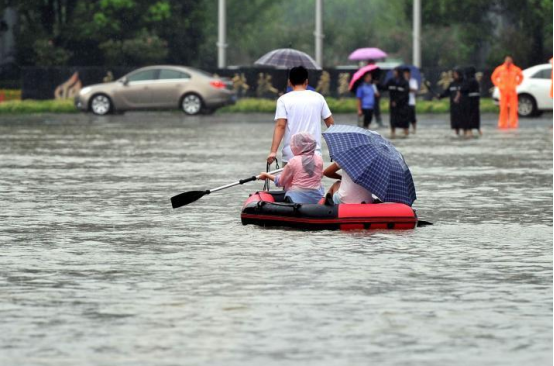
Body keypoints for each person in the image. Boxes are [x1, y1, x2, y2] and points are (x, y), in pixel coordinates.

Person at [268, 66, 335, 165]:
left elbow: (281, 126)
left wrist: (273, 152)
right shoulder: (318, 98)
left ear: (289, 82)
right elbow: (330, 124)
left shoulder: (283, 99)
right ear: (306, 81)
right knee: (313, 181)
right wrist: (336, 147)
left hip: (291, 155)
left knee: (289, 181)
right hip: (314, 154)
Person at [259, 133, 324, 204]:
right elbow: (319, 176)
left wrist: (266, 175)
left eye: (293, 145)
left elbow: (280, 182)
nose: (292, 147)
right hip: (316, 197)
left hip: (296, 198)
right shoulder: (319, 159)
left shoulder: (293, 161)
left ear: (298, 146)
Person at [491, 56, 524, 129]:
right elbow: (493, 77)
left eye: (509, 61)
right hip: (503, 92)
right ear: (505, 61)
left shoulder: (516, 69)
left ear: (511, 61)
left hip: (512, 91)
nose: (508, 62)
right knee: (503, 109)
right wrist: (499, 85)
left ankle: (513, 123)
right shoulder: (500, 69)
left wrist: (517, 83)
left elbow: (521, 76)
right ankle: (502, 124)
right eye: (507, 61)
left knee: (513, 109)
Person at [386, 67, 411, 138]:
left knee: (404, 121)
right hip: (393, 105)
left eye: (395, 72)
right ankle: (393, 134)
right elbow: (384, 87)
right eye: (394, 72)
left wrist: (397, 101)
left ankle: (406, 133)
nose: (394, 73)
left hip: (403, 105)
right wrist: (377, 84)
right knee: (393, 120)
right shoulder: (391, 81)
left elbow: (405, 94)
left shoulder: (405, 82)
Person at [439, 68, 465, 136]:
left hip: (463, 107)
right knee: (455, 123)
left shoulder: (464, 83)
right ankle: (457, 134)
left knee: (464, 123)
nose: (455, 75)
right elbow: (446, 93)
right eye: (454, 74)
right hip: (454, 107)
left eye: (456, 74)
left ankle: (465, 134)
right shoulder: (452, 84)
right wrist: (440, 96)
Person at [461, 67, 482, 137]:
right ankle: (478, 130)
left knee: (469, 116)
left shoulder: (468, 81)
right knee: (476, 116)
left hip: (469, 101)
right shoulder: (475, 81)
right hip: (476, 101)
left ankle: (469, 132)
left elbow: (463, 90)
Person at [404, 67, 419, 134]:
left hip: (411, 102)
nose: (406, 75)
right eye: (405, 73)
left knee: (412, 117)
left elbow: (414, 90)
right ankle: (405, 129)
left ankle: (414, 129)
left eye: (407, 73)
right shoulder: (402, 82)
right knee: (404, 117)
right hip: (404, 102)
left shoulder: (413, 81)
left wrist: (407, 88)